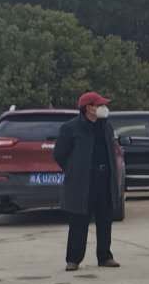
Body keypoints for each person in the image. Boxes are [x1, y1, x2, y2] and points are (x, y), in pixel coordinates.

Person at [52, 91, 123, 272]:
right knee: (78, 222)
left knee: (105, 221)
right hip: (82, 183)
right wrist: (74, 170)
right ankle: (73, 259)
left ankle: (105, 256)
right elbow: (59, 154)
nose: (103, 108)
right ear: (88, 108)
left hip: (104, 180)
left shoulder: (106, 127)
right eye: (99, 105)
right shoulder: (71, 128)